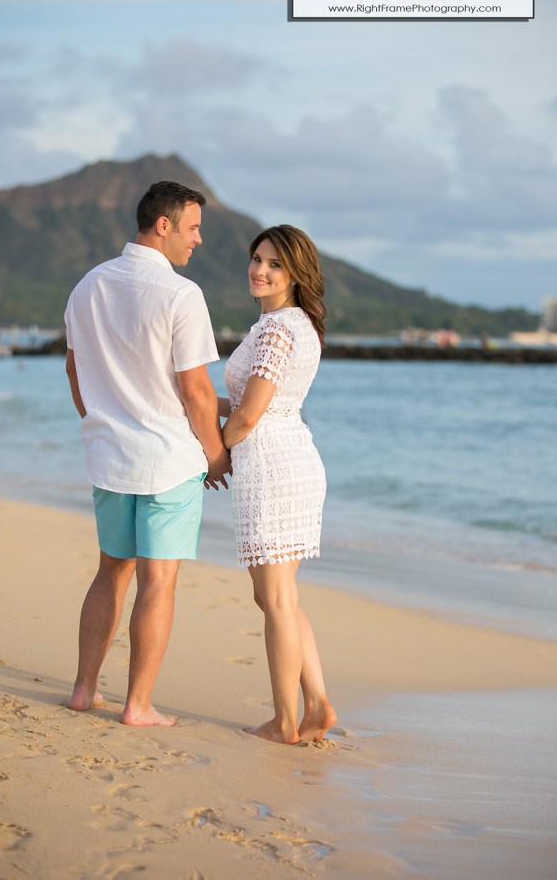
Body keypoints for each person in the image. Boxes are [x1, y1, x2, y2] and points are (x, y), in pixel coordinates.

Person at [64, 180, 231, 726]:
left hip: (110, 456)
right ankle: (138, 705)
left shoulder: (87, 286)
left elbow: (75, 370)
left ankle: (84, 690)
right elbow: (196, 391)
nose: (198, 240)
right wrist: (215, 454)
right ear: (164, 225)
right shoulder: (182, 294)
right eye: (193, 227)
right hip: (167, 460)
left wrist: (96, 423)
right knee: (158, 581)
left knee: (111, 570)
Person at [220, 225, 336, 744]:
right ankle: (316, 706)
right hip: (290, 458)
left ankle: (285, 721)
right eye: (256, 259)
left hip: (271, 466)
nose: (259, 270)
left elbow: (248, 415)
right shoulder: (297, 325)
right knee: (280, 599)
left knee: (276, 600)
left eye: (273, 264)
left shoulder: (275, 330)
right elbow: (255, 407)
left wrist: (212, 452)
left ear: (295, 274)